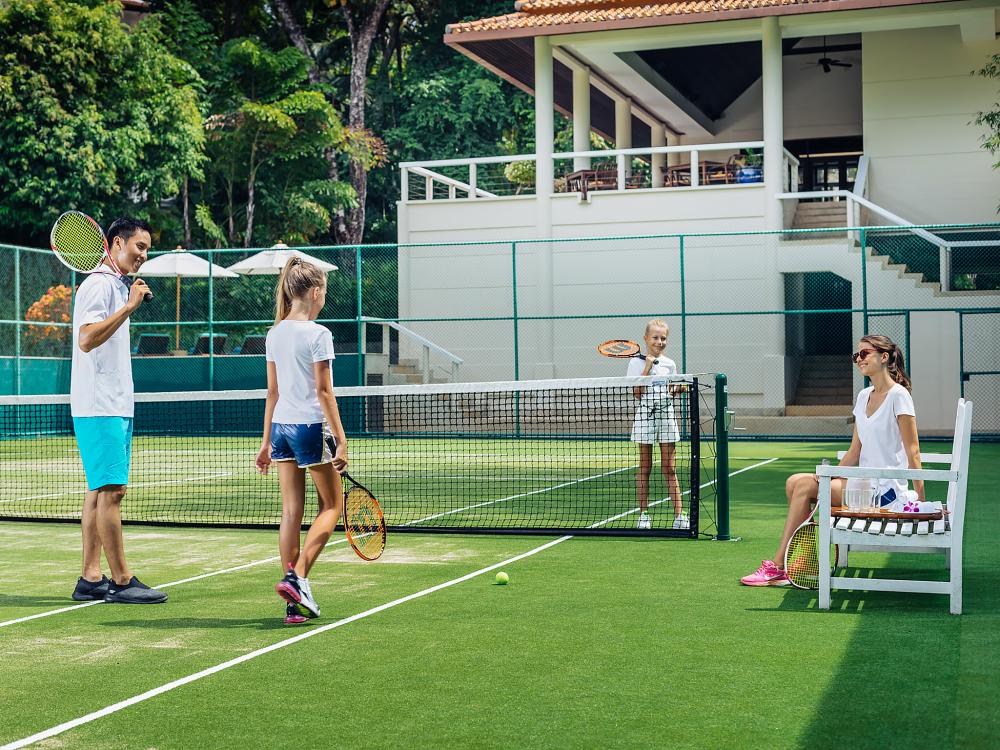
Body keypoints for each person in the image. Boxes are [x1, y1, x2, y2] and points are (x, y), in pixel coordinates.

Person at [741, 334, 924, 586]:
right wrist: (830, 475)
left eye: (864, 353)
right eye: (856, 355)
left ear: (884, 357)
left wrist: (920, 502)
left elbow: (913, 451)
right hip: (864, 485)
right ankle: (806, 560)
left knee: (804, 486)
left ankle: (780, 567)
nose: (859, 359)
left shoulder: (899, 396)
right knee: (794, 481)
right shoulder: (863, 396)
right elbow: (854, 451)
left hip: (887, 492)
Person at [70, 217, 167, 604]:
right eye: (139, 247)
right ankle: (123, 580)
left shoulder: (114, 283)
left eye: (147, 249)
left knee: (98, 490)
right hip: (99, 405)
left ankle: (91, 578)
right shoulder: (97, 284)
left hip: (113, 403)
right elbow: (86, 339)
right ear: (115, 243)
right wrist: (128, 307)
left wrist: (126, 300)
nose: (143, 255)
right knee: (113, 490)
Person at [256, 258, 348, 625]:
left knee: (291, 513)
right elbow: (325, 393)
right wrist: (340, 439)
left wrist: (265, 443)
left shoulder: (274, 333)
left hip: (280, 429)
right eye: (323, 291)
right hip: (309, 427)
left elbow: (272, 393)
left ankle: (293, 603)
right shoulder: (318, 334)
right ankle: (298, 578)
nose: (324, 297)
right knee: (332, 507)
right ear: (314, 292)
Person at [627, 319, 688, 531]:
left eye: (663, 338)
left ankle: (679, 517)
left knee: (669, 468)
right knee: (645, 468)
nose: (659, 341)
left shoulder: (670, 364)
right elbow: (637, 393)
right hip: (645, 415)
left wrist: (678, 389)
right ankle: (643, 515)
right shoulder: (635, 363)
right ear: (646, 339)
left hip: (666, 415)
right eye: (655, 337)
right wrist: (646, 367)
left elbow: (671, 388)